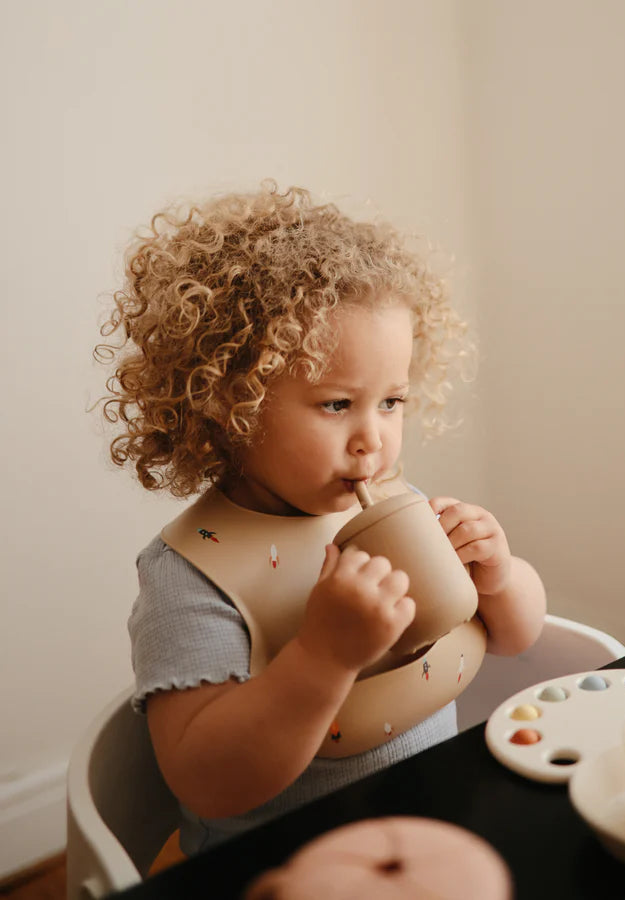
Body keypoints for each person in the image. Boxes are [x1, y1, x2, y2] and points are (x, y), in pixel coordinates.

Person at [95, 181, 547, 854]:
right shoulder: (191, 578)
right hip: (287, 869)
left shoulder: (395, 504)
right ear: (230, 402)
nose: (375, 439)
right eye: (338, 404)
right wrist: (322, 657)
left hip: (431, 838)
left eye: (391, 401)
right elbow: (208, 781)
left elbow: (516, 637)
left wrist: (500, 576)